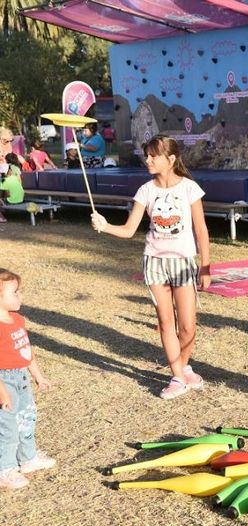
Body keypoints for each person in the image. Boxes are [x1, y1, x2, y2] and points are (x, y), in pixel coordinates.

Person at [90, 135, 211, 400]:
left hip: (183, 263)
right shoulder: (146, 191)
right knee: (166, 323)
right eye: (146, 155)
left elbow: (201, 230)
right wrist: (104, 225)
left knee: (188, 326)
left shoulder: (190, 188)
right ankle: (178, 376)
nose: (147, 160)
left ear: (170, 159)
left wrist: (206, 267)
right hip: (154, 263)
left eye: (153, 156)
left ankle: (184, 365)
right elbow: (129, 230)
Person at [0, 268, 56, 490]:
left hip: (21, 378)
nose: (20, 296)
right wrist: (2, 391)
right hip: (4, 381)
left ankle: (28, 458)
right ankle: (5, 469)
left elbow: (26, 350)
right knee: (7, 427)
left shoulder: (17, 320)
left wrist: (38, 376)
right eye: (15, 292)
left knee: (26, 418)